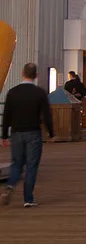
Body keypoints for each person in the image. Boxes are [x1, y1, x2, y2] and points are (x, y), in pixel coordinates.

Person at [1, 63, 54, 207]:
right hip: (33, 133)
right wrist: (51, 133)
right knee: (31, 165)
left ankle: (11, 185)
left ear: (22, 74)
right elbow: (47, 115)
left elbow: (6, 116)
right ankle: (28, 199)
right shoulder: (40, 93)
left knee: (17, 163)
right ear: (36, 76)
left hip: (17, 133)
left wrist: (4, 136)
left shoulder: (12, 92)